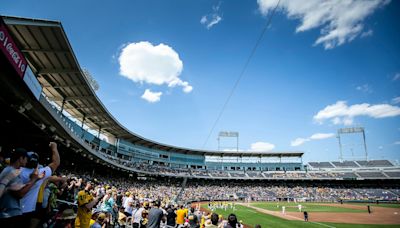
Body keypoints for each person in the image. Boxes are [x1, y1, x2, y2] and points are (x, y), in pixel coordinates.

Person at [20, 142, 60, 227]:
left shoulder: (15, 171)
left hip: (11, 209)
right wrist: (54, 147)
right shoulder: (40, 173)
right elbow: (56, 162)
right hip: (27, 211)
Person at [0, 148, 43, 228]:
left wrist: (34, 179)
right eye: (26, 159)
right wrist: (33, 180)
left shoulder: (11, 170)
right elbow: (20, 193)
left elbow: (18, 188)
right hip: (9, 215)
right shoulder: (11, 172)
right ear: (21, 158)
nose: (27, 161)